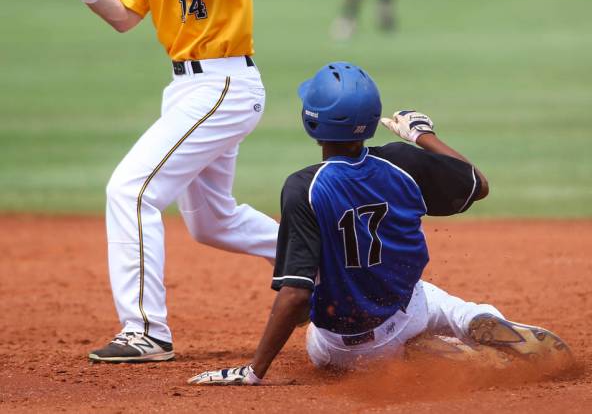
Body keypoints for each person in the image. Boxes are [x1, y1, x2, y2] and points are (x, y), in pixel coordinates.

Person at [50, 0, 279, 363]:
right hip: (187, 89)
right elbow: (124, 16)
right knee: (212, 222)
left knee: (129, 190)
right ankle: (320, 256)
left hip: (224, 84)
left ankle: (146, 332)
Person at [187, 62, 571, 385]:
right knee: (447, 306)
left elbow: (296, 295)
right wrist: (421, 135)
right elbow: (478, 184)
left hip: (341, 344)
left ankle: (427, 357)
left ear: (312, 122)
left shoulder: (303, 188)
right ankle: (472, 324)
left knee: (321, 331)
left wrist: (254, 371)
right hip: (407, 311)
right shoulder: (403, 162)